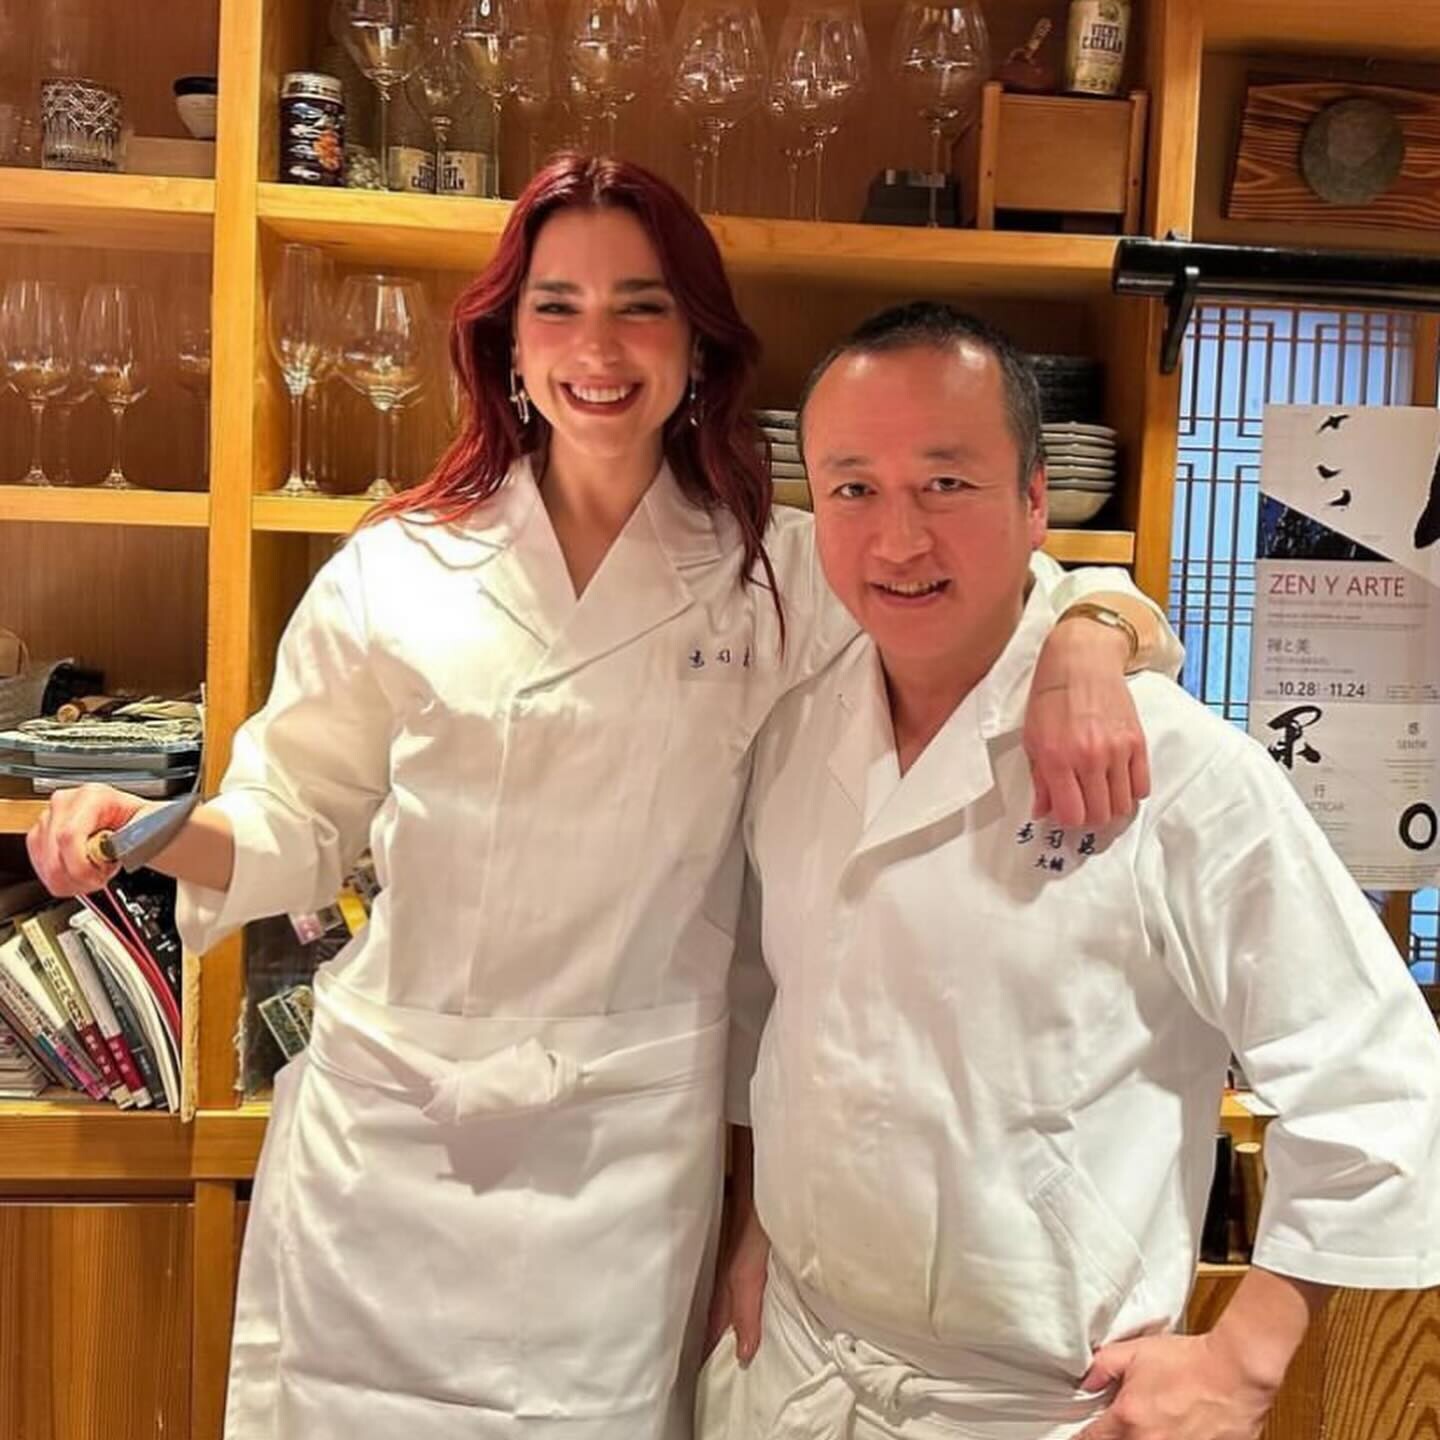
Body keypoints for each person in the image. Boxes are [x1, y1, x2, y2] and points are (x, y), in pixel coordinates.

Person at [26, 160, 1177, 1440]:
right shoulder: (399, 564)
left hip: (618, 1149)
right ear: (508, 343)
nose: (599, 348)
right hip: (389, 1132)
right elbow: (297, 822)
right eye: (558, 307)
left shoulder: (776, 570)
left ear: (697, 342)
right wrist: (150, 832)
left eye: (641, 307)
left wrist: (1094, 638)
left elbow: (1011, 589)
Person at [701, 302, 1440, 1440]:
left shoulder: (1173, 764)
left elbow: (1378, 1070)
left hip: (1040, 1407)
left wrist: (1246, 1358)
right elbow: (774, 1011)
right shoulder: (799, 732)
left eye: (946, 484)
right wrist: (754, 1224)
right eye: (853, 488)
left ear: (1036, 499)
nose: (897, 540)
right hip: (792, 1367)